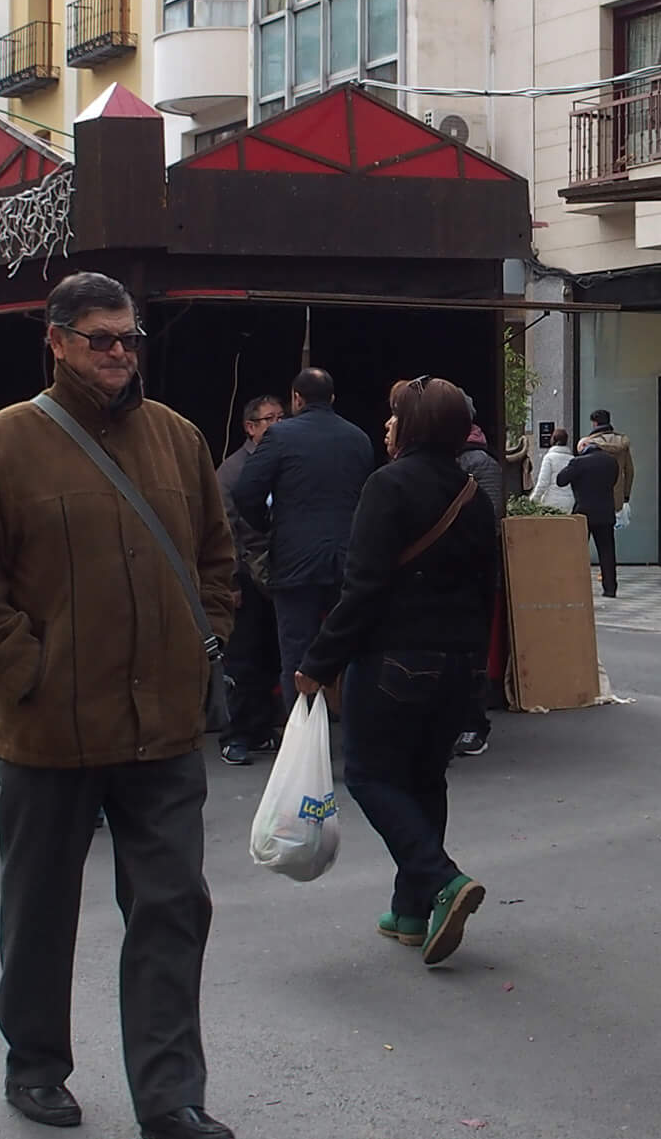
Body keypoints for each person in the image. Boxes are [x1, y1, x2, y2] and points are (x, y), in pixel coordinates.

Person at [0, 271, 238, 1139]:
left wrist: (203, 644)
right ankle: (35, 1064)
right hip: (51, 727)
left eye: (128, 337)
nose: (117, 352)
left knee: (172, 909)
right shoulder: (6, 440)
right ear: (57, 341)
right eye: (99, 337)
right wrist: (24, 670)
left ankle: (170, 1095)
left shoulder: (177, 438)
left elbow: (216, 561)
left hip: (163, 728)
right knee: (39, 911)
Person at [294, 377, 501, 965]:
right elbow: (487, 589)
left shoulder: (387, 486)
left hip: (394, 660)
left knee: (369, 775)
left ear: (413, 426)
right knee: (425, 778)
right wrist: (476, 673)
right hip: (457, 664)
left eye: (393, 416)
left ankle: (441, 879)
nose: (385, 425)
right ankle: (410, 911)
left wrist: (318, 663)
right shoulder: (473, 494)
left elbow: (362, 588)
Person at [232, 367, 374, 709]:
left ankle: (302, 730)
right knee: (352, 651)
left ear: (296, 398)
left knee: (297, 655)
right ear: (332, 398)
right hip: (348, 559)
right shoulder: (358, 438)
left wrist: (268, 527)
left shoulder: (280, 437)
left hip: (294, 560)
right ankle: (354, 727)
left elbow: (245, 492)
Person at [211, 394, 285, 766]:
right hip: (244, 574)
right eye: (269, 419)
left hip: (279, 573)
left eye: (281, 417)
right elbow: (222, 530)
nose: (277, 425)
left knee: (271, 654)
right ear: (250, 427)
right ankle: (235, 735)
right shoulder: (232, 471)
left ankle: (260, 728)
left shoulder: (285, 463)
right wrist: (231, 583)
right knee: (242, 658)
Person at [452, 416, 507, 758]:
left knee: (468, 652)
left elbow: (489, 520)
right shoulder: (457, 459)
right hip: (464, 570)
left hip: (468, 571)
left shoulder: (477, 462)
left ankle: (473, 724)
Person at [555, 434, 621, 598]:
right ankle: (610, 588)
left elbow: (561, 480)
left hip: (583, 513)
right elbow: (614, 481)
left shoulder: (578, 462)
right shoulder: (611, 461)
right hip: (605, 512)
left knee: (577, 552)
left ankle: (576, 586)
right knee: (607, 551)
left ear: (584, 446)